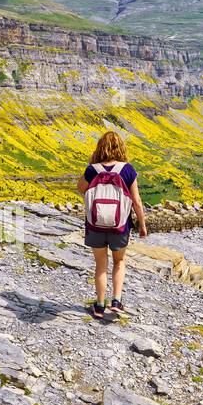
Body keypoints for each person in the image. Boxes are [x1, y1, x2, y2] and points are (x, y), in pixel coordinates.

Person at [76, 130, 147, 320]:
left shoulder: (93, 170)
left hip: (95, 225)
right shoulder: (128, 170)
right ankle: (116, 301)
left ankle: (99, 306)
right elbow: (136, 201)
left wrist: (92, 164)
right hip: (120, 225)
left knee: (100, 265)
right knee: (119, 261)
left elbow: (80, 189)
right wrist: (142, 224)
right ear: (121, 148)